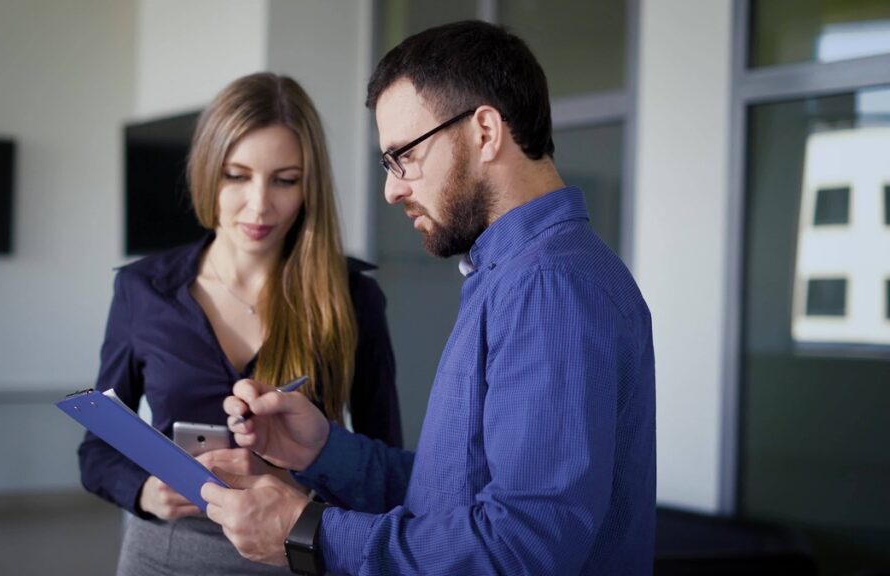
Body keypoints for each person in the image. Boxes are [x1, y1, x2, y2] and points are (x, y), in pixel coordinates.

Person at [200, 21, 656, 576]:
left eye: (404, 156)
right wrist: (322, 451)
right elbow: (454, 495)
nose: (393, 189)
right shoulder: (510, 274)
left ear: (485, 131)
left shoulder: (548, 286)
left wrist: (309, 531)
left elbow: (522, 548)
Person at [77, 72, 403, 576]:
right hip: (164, 556)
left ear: (308, 184)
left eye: (285, 180)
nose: (259, 205)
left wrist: (298, 482)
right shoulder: (143, 291)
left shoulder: (353, 296)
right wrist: (145, 492)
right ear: (209, 172)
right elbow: (98, 450)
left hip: (297, 552)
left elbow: (385, 466)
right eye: (237, 175)